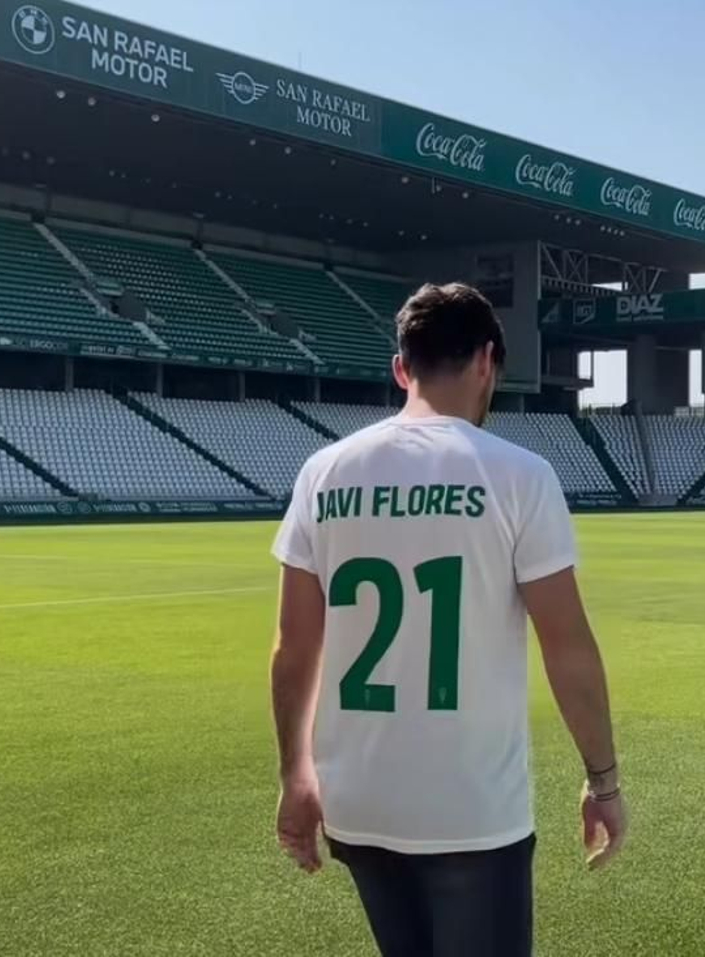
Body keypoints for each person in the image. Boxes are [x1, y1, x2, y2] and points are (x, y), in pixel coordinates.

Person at [270, 282, 626, 957]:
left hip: (360, 805)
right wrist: (603, 779)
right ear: (489, 359)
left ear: (401, 367)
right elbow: (568, 646)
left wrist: (295, 774)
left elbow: (294, 645)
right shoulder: (520, 474)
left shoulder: (324, 472)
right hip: (469, 810)